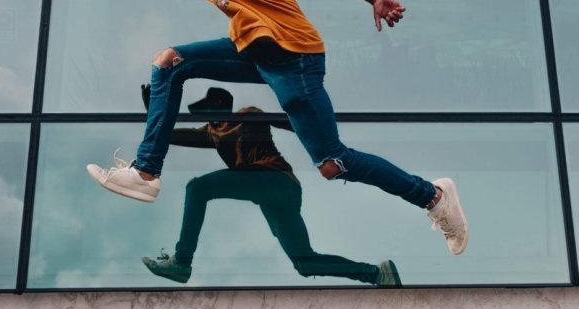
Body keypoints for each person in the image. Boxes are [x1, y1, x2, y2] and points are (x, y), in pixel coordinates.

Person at [77, 0, 467, 254]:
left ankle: (433, 197)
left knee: (333, 163)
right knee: (170, 61)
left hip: (292, 56)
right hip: (262, 50)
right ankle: (146, 172)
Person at [138, 84, 402, 287]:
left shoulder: (248, 115)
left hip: (275, 180)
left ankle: (182, 262)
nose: (210, 121)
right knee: (304, 262)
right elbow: (169, 136)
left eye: (210, 112)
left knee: (197, 188)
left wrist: (322, 137)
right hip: (270, 196)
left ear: (221, 106)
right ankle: (378, 273)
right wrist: (154, 111)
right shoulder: (211, 132)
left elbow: (290, 123)